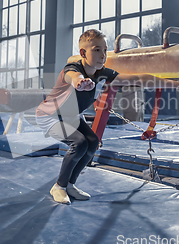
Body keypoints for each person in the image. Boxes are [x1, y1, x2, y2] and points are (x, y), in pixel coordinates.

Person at [36, 29, 118, 204]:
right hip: (50, 116)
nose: (103, 55)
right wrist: (79, 82)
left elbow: (136, 77)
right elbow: (72, 76)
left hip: (71, 115)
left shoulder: (101, 72)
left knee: (93, 142)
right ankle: (59, 186)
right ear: (83, 52)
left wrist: (174, 82)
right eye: (97, 50)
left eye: (105, 50)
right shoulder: (73, 68)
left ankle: (70, 184)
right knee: (79, 143)